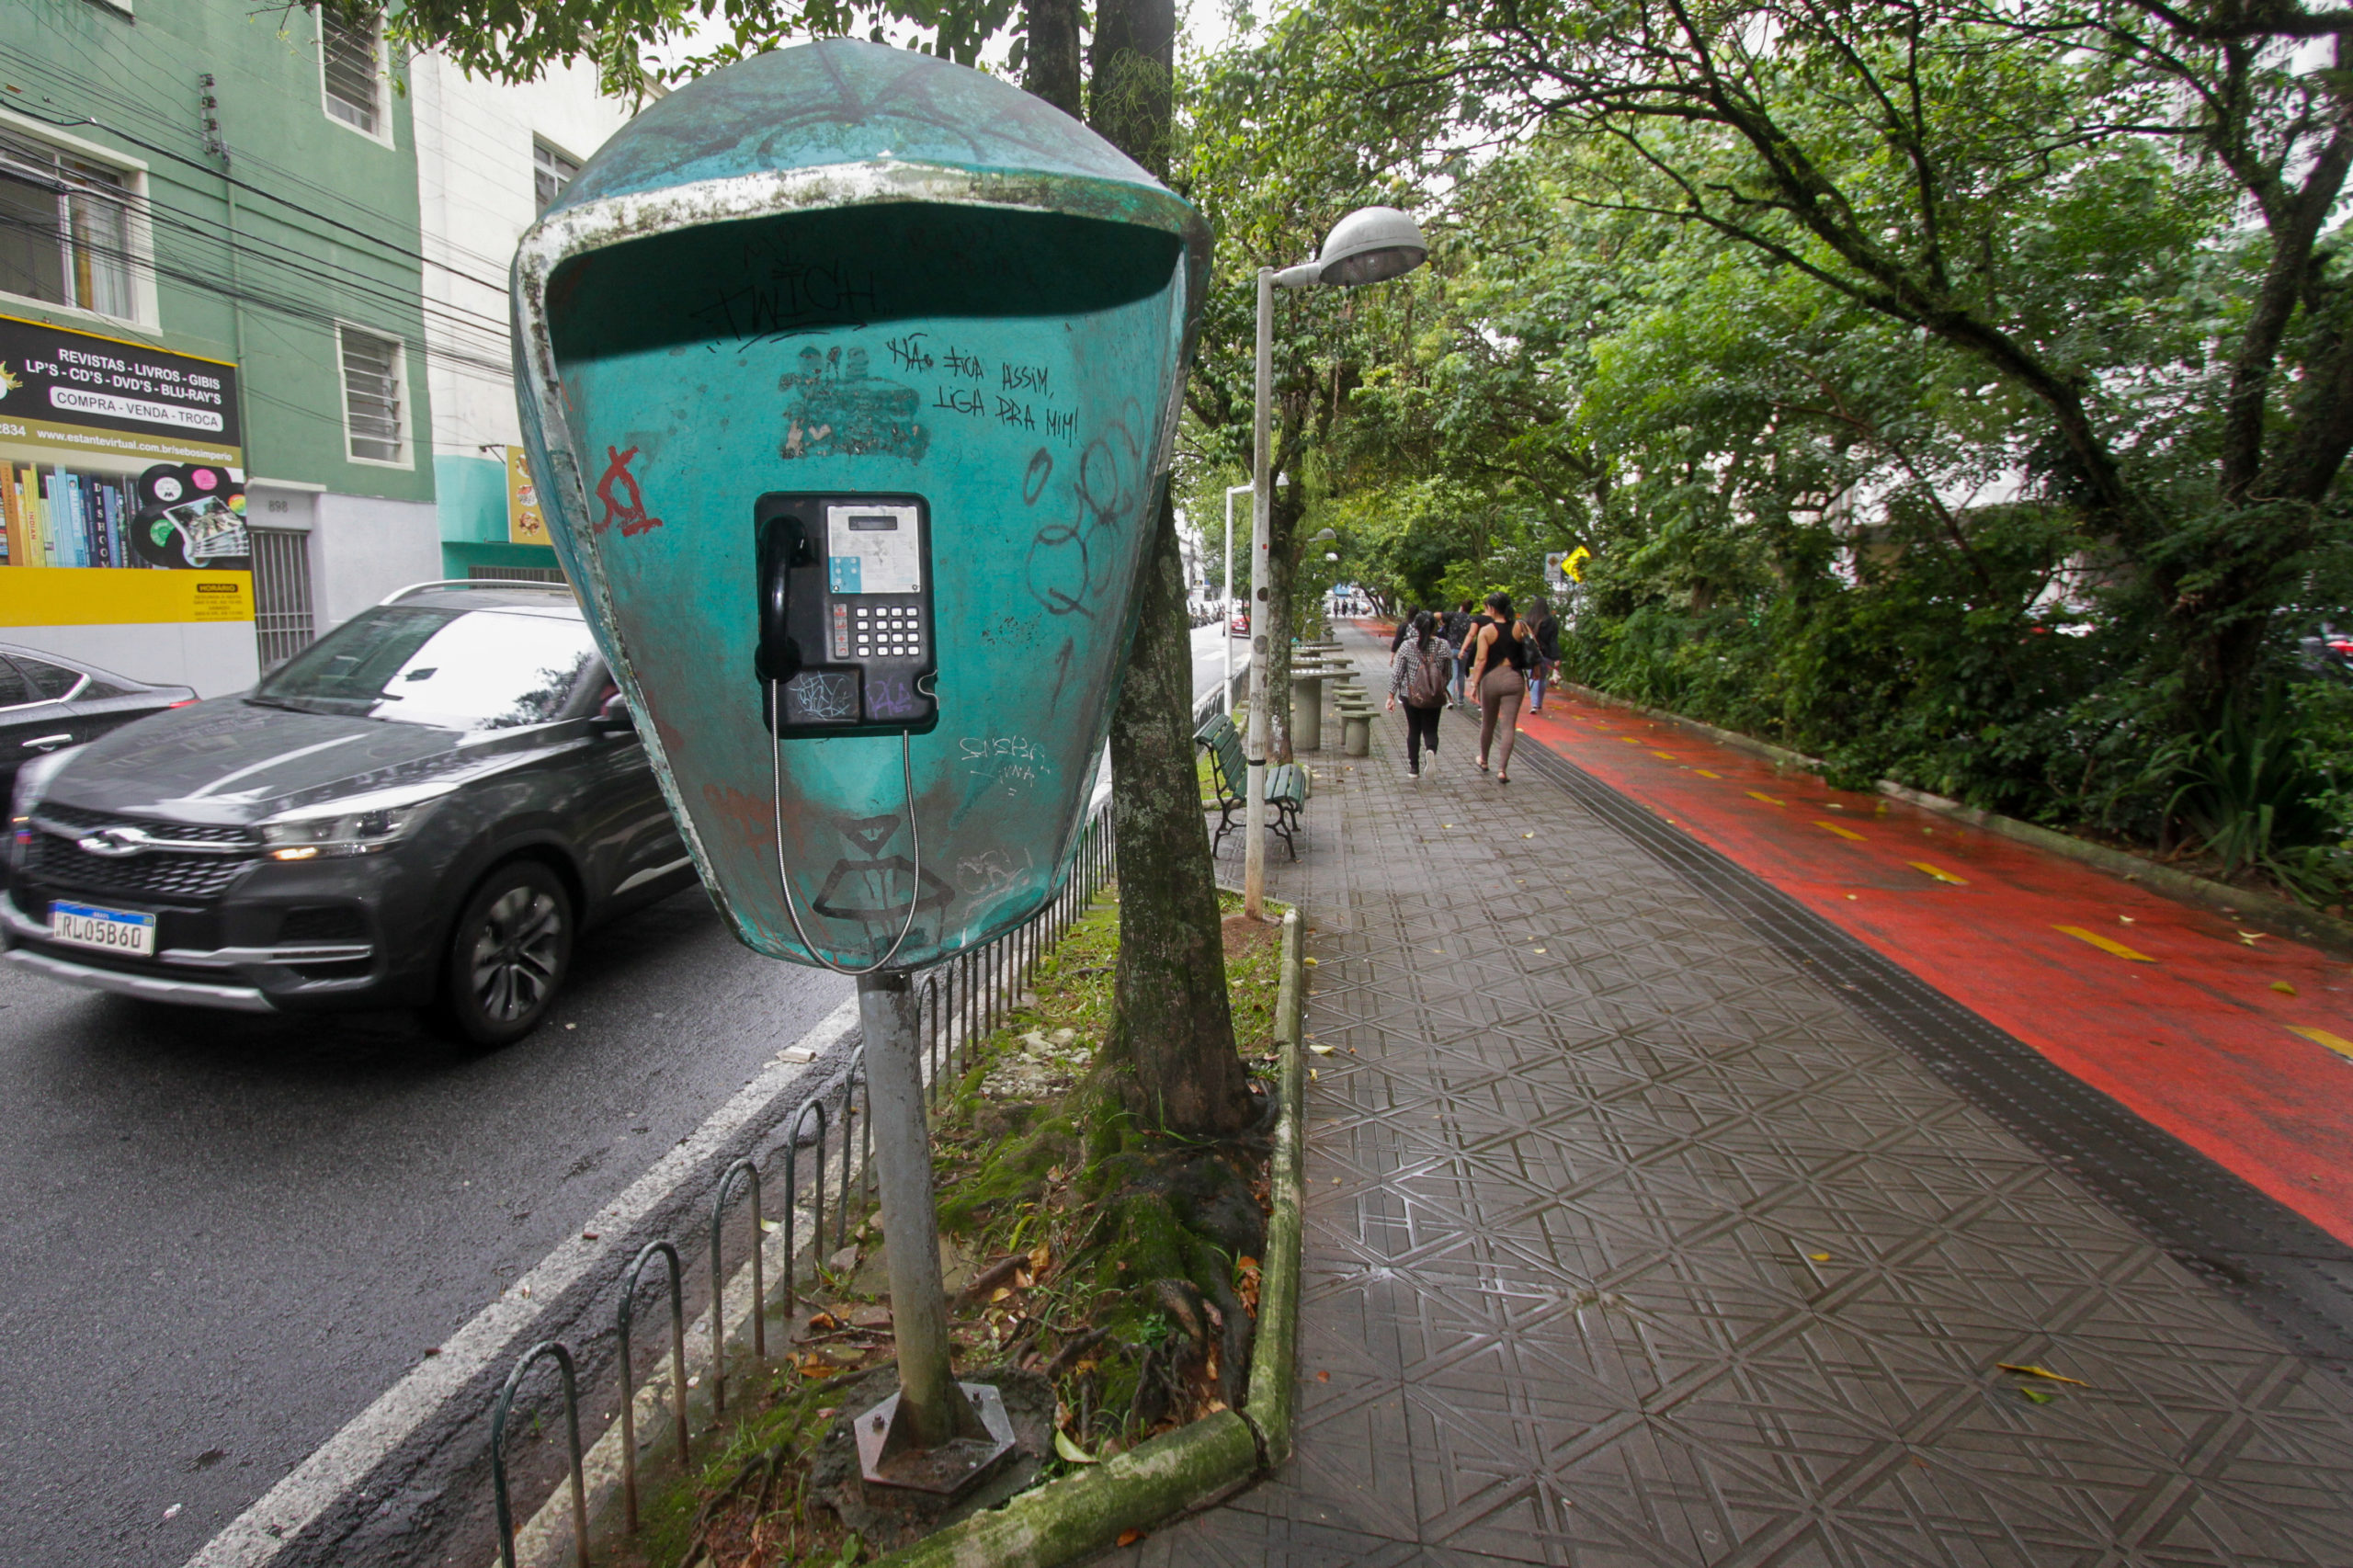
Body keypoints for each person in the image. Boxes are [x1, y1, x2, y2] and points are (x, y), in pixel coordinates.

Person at [1463, 590, 1531, 783]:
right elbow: (1533, 647)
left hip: (1491, 680)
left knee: (1488, 722)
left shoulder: (1487, 631)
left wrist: (1475, 684)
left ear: (1492, 608)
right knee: (1509, 725)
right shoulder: (1520, 626)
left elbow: (1481, 659)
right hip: (1515, 679)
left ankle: (1484, 760)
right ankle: (1502, 770)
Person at [1387, 609, 1454, 778]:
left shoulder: (1407, 646)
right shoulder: (1444, 645)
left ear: (1415, 628)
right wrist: (1438, 686)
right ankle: (1430, 751)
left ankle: (1414, 768)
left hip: (1411, 695)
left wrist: (1390, 696)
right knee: (1431, 730)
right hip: (1434, 695)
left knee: (1414, 730)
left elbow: (1397, 673)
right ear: (1435, 626)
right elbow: (1449, 673)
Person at [1525, 595, 1561, 713]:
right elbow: (1553, 641)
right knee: (1542, 678)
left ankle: (1534, 704)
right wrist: (1556, 657)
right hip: (1546, 655)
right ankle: (1539, 703)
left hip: (1531, 654)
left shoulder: (1529, 620)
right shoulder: (1551, 622)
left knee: (1533, 677)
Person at [1445, 599, 1477, 707]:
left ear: (1462, 607)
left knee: (1452, 673)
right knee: (1461, 674)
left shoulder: (1454, 616)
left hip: (1452, 648)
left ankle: (1450, 698)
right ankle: (1461, 699)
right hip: (1465, 650)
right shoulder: (1472, 620)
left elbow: (1438, 616)